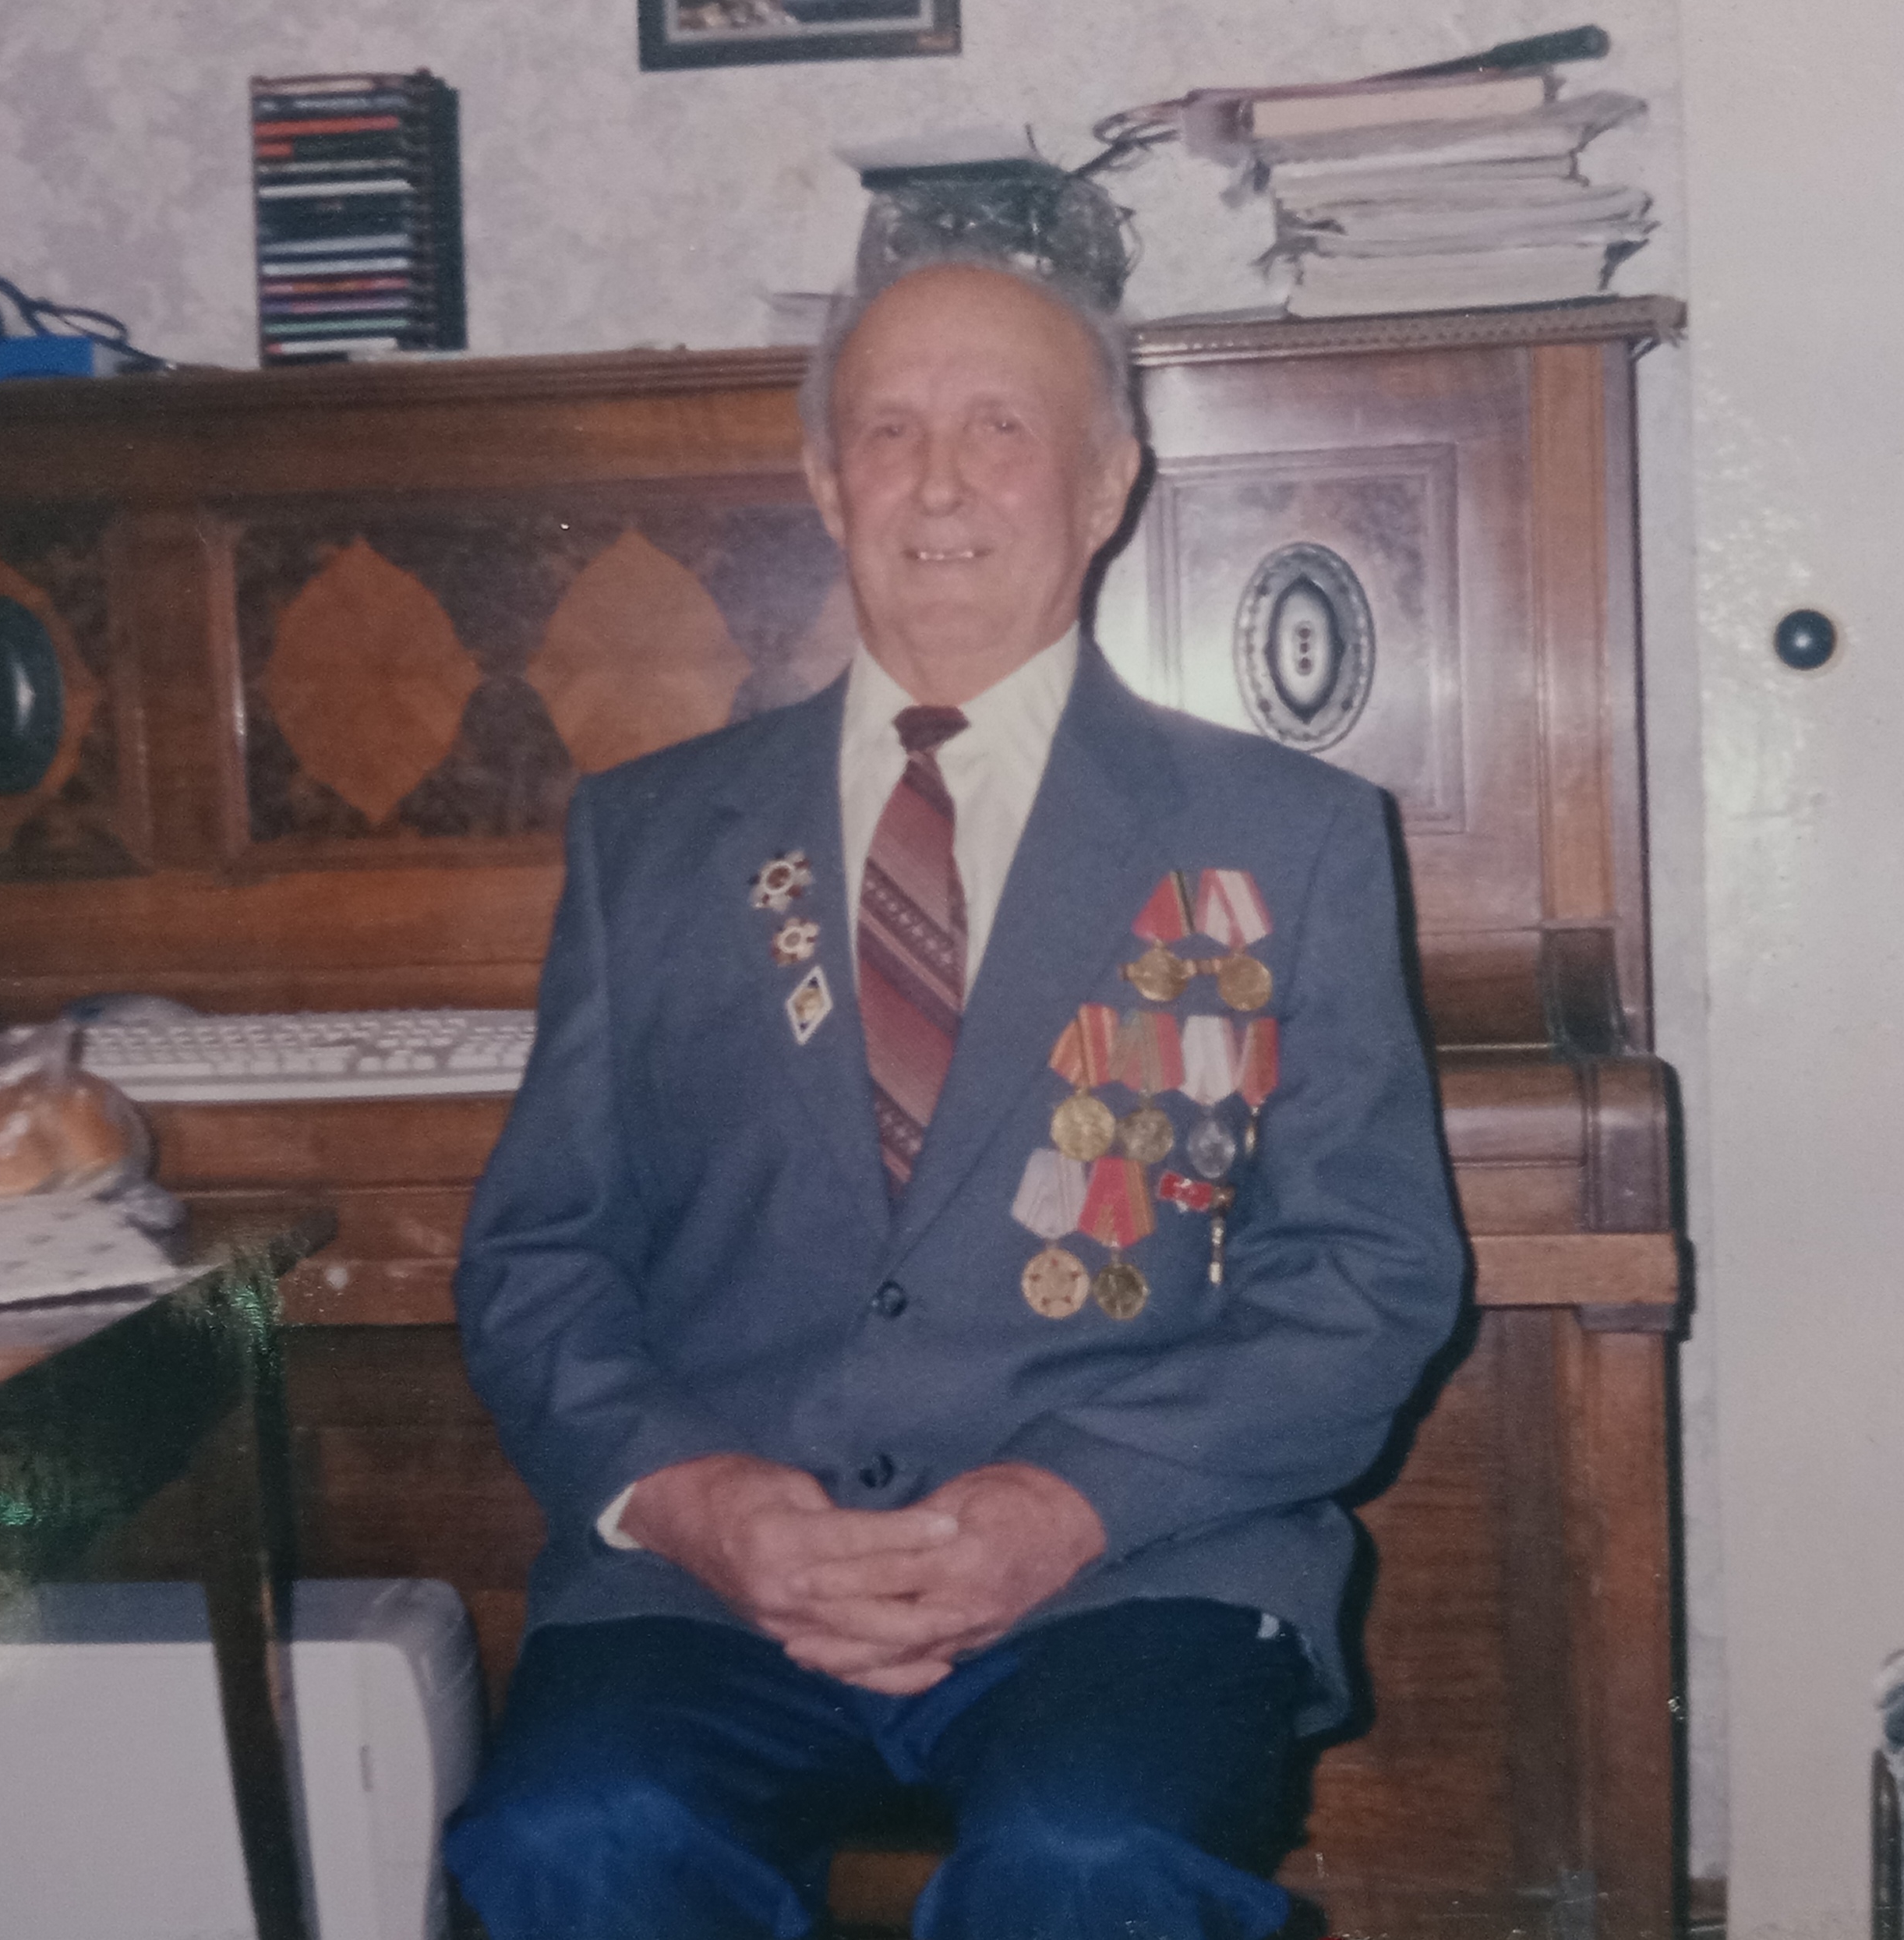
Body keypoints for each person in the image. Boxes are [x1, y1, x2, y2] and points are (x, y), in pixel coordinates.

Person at [441, 257, 1465, 1940]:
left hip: (1134, 1561)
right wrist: (694, 1501)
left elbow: (1369, 1270)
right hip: (722, 1580)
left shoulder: (1284, 835)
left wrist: (1067, 1504)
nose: (937, 482)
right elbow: (538, 1257)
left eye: (1001, 428)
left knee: (1090, 1858)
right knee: (578, 1830)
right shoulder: (652, 835)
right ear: (825, 482)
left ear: (1108, 482)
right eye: (889, 431)